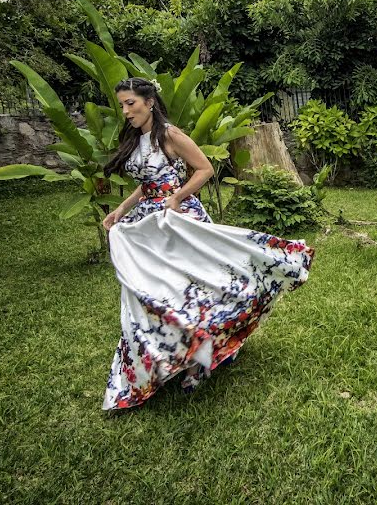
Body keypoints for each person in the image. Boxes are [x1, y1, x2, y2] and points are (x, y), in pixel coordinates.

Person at [99, 77, 314, 410]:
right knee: (149, 289)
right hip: (148, 223)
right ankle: (165, 357)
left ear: (150, 101)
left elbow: (204, 169)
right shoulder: (138, 140)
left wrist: (178, 197)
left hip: (177, 220)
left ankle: (209, 349)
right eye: (122, 104)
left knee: (199, 285)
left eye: (131, 103)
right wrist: (120, 210)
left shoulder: (170, 135)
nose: (126, 111)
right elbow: (146, 185)